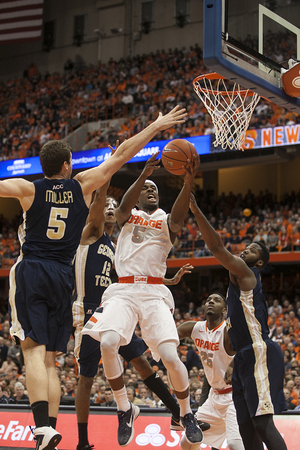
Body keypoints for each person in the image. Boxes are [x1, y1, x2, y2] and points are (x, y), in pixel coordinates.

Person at [5, 105, 187, 450]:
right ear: (67, 165)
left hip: (33, 269)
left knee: (32, 352)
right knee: (50, 360)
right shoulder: (83, 186)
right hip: (63, 277)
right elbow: (121, 153)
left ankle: (42, 427)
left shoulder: (27, 189)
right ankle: (52, 430)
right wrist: (157, 124)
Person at [82, 152, 204, 447]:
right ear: (138, 196)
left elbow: (178, 217)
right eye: (147, 188)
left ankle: (186, 414)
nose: (151, 190)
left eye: (156, 189)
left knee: (172, 358)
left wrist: (187, 182)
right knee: (108, 343)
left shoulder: (164, 220)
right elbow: (123, 207)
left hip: (152, 293)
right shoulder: (127, 217)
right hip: (123, 290)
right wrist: (144, 173)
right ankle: (124, 409)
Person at [189, 194, 287, 450]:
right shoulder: (236, 287)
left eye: (252, 250)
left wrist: (196, 210)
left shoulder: (247, 273)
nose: (245, 250)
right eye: (247, 247)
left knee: (263, 424)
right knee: (246, 428)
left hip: (258, 351)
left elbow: (217, 249)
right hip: (244, 357)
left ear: (261, 262)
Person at [177, 293, 244, 450]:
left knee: (234, 443)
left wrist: (234, 362)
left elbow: (249, 348)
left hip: (234, 396)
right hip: (214, 398)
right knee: (187, 442)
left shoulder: (228, 331)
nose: (211, 302)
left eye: (217, 300)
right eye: (208, 300)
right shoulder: (195, 328)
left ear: (225, 310)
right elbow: (169, 336)